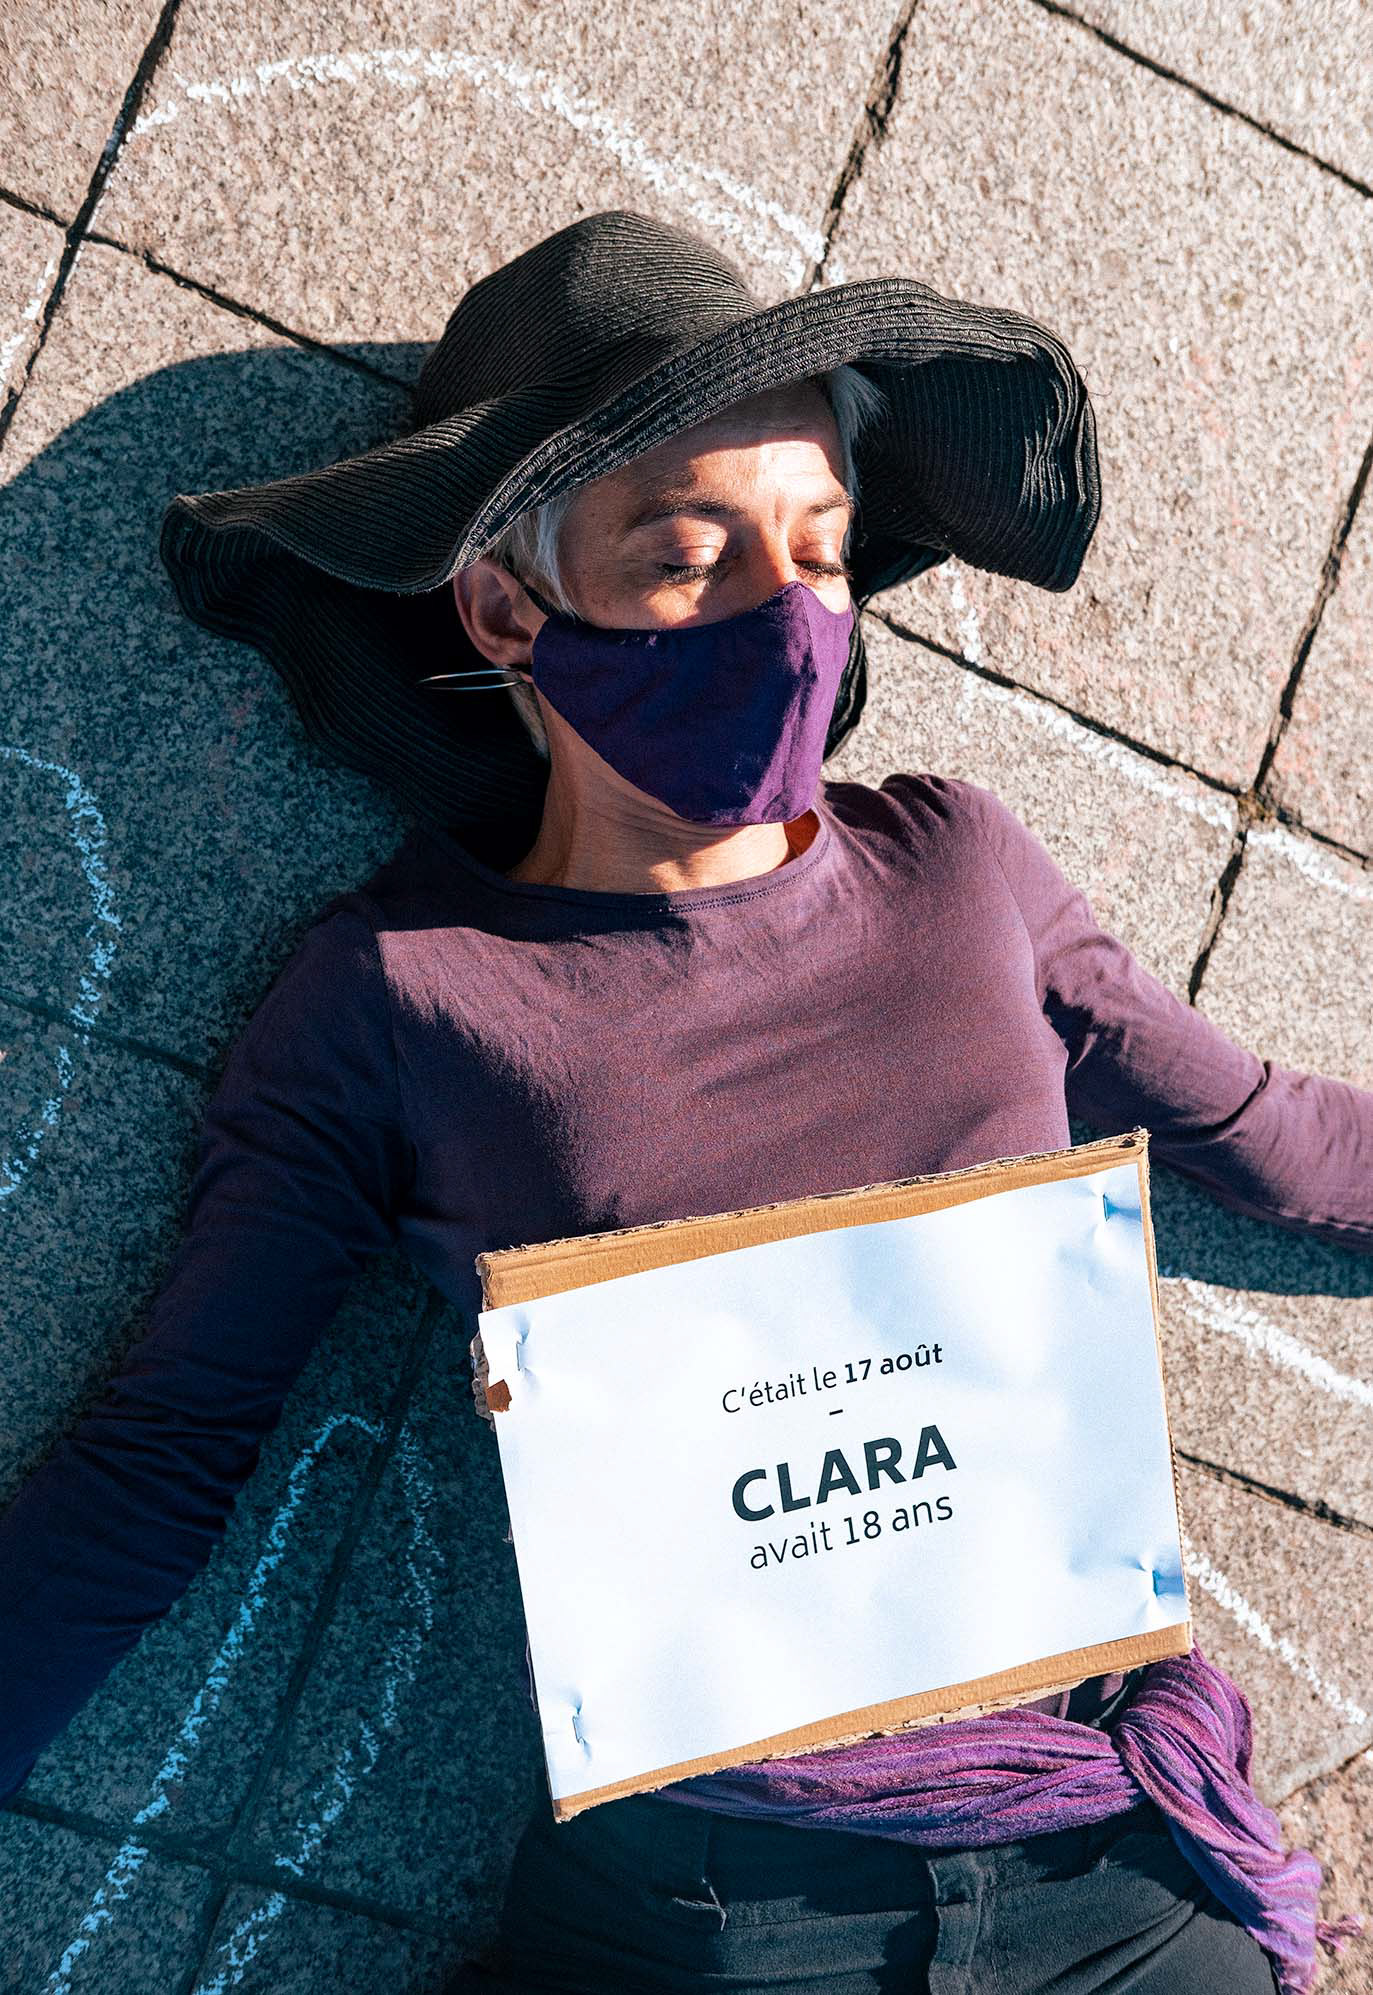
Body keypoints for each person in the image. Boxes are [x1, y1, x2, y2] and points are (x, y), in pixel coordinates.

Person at [1, 209, 1366, 1995]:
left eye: (816, 550)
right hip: (716, 1918)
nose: (784, 618)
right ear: (505, 602)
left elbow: (1262, 1134)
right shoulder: (402, 994)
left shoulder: (958, 866)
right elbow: (165, 1454)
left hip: (1119, 1863)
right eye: (688, 556)